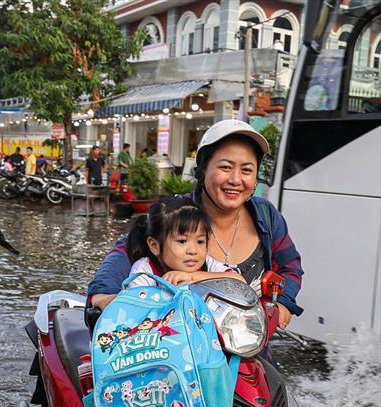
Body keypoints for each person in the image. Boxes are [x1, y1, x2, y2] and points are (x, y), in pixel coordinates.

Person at [88, 119, 303, 331]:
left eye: (246, 170)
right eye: (225, 167)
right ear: (202, 170)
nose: (236, 180)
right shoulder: (179, 214)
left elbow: (290, 266)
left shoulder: (266, 216)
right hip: (183, 349)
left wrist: (284, 303)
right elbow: (123, 255)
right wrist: (102, 295)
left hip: (247, 348)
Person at [126, 197, 243, 288]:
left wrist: (192, 276)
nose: (193, 251)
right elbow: (134, 310)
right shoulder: (144, 273)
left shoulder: (207, 264)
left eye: (200, 241)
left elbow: (240, 282)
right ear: (154, 245)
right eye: (182, 241)